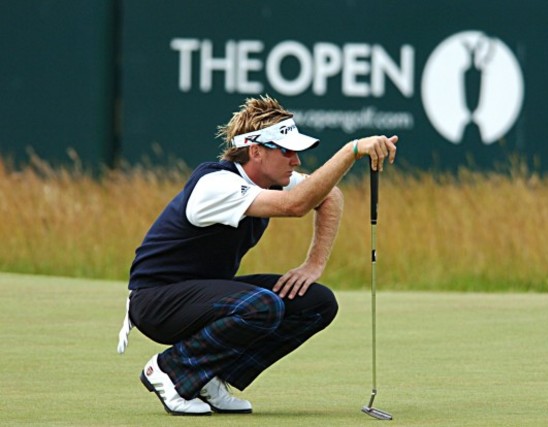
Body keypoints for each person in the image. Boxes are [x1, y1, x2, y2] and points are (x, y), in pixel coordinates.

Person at [116, 95, 398, 416]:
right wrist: (352, 151)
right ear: (256, 151)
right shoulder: (216, 184)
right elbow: (296, 205)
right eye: (287, 151)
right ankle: (170, 369)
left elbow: (329, 195)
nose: (296, 160)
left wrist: (314, 264)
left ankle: (208, 377)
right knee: (262, 306)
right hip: (157, 303)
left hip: (198, 298)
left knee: (316, 303)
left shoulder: (271, 181)